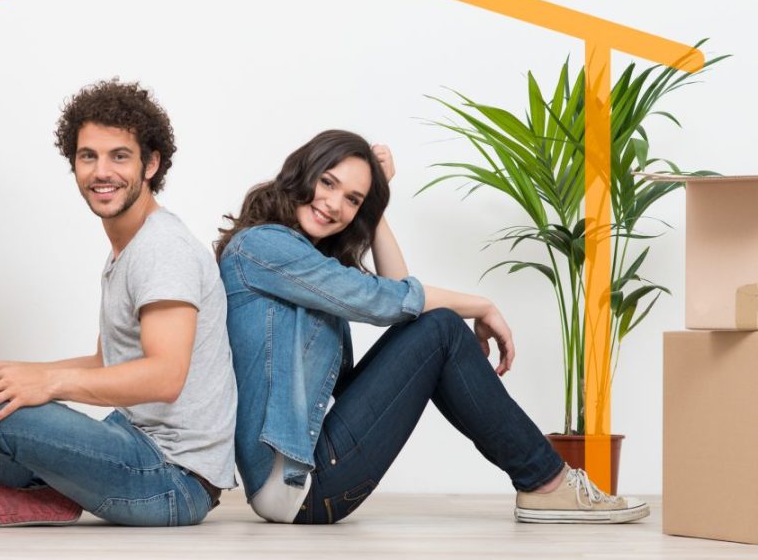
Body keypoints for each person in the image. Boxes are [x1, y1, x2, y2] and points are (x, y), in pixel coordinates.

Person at [215, 129, 649, 525]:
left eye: (353, 200)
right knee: (442, 327)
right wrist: (480, 304)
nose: (334, 204)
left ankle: (545, 483)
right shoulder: (261, 247)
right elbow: (388, 300)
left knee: (436, 325)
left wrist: (377, 203)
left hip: (301, 473)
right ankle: (547, 483)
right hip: (297, 486)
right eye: (328, 183)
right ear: (300, 173)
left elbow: (396, 292)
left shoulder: (302, 262)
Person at [0, 79, 237, 527]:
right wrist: (4, 373)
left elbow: (166, 376)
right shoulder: (127, 247)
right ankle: (43, 500)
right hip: (132, 442)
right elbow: (105, 360)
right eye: (88, 156)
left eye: (119, 156)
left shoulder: (162, 249)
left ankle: (36, 497)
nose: (101, 172)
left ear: (151, 164)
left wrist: (49, 384)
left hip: (173, 480)